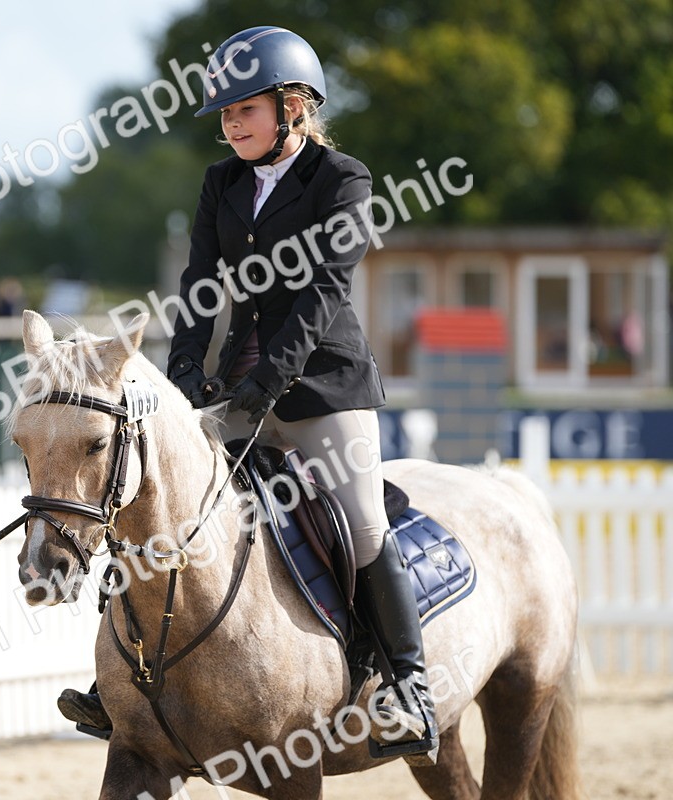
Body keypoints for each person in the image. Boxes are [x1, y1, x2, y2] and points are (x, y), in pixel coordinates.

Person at [57, 25, 438, 764]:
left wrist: (266, 387)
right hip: (236, 385)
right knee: (159, 506)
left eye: (246, 110)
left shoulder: (343, 180)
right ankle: (122, 686)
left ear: (293, 106)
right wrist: (187, 375)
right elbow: (200, 289)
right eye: (226, 114)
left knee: (359, 520)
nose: (232, 124)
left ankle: (409, 685)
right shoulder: (220, 184)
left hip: (324, 386)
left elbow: (322, 295)